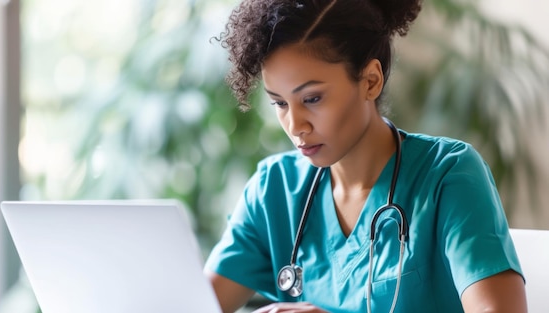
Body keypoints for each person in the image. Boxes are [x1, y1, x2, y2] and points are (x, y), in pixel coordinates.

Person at [203, 0, 527, 312]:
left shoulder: (448, 175)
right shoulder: (274, 190)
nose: (295, 125)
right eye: (280, 103)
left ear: (370, 81)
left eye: (312, 98)